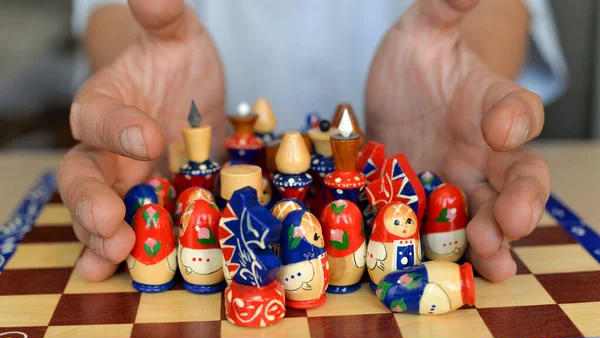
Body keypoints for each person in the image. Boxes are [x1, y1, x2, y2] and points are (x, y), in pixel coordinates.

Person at [59, 0, 562, 284]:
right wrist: (145, 73)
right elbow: (119, 10)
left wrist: (459, 81)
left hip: (415, 143)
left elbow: (498, 8)